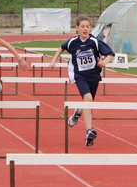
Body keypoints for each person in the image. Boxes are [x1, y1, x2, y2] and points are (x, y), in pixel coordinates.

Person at [49, 15, 115, 147]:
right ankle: (89, 131)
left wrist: (104, 62)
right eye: (82, 26)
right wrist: (53, 60)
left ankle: (77, 113)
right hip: (79, 75)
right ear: (77, 28)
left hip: (94, 76)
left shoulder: (95, 42)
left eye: (87, 27)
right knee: (88, 98)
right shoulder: (72, 42)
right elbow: (61, 47)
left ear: (90, 28)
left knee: (88, 103)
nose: (85, 29)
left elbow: (111, 54)